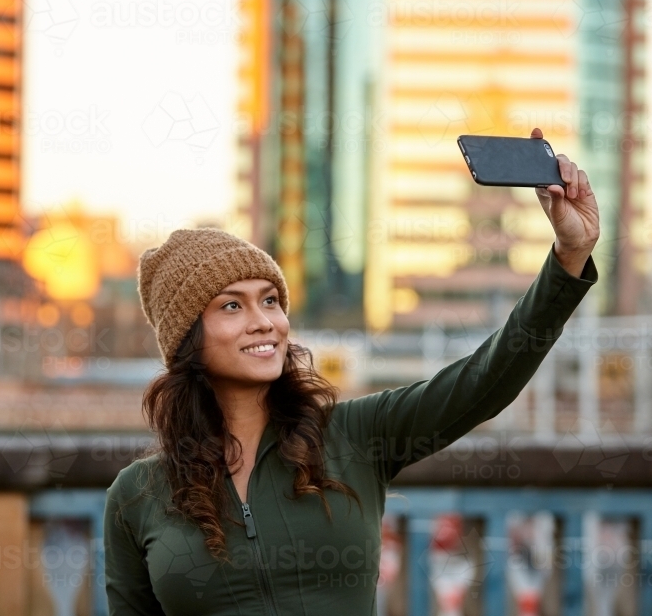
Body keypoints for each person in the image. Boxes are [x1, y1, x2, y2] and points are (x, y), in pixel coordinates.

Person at [104, 128, 600, 615]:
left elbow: (484, 380)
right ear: (188, 339)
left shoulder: (354, 436)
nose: (264, 322)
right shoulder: (137, 495)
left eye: (271, 300)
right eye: (232, 307)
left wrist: (568, 258)